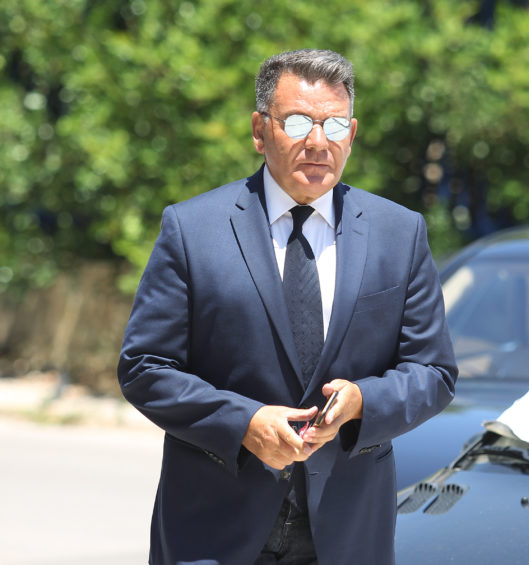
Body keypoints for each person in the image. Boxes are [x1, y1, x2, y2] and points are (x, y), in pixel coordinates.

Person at [118, 48, 457, 565]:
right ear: (260, 130)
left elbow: (433, 371)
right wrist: (244, 422)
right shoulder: (192, 230)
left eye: (335, 125)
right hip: (215, 530)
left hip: (346, 534)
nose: (318, 142)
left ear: (352, 133)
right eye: (298, 122)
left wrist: (362, 402)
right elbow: (145, 368)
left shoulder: (399, 232)